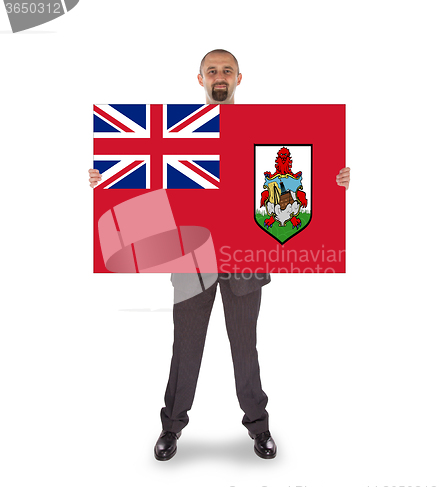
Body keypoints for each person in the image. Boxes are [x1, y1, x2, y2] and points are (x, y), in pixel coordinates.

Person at [89, 49, 351, 461]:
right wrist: (108, 180)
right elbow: (149, 187)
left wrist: (335, 178)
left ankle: (258, 426)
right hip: (192, 262)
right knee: (186, 348)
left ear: (239, 78)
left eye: (226, 70)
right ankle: (171, 427)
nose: (220, 76)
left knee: (245, 347)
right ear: (200, 79)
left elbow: (298, 173)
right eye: (212, 71)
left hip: (245, 262)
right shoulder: (180, 135)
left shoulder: (265, 131)